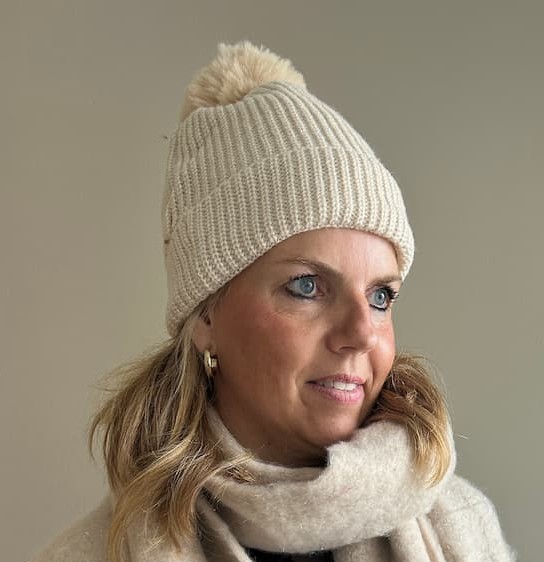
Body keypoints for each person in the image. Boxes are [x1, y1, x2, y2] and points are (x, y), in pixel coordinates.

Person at [30, 40, 516, 562]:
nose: (361, 333)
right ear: (206, 313)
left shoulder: (464, 528)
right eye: (307, 286)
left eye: (381, 295)